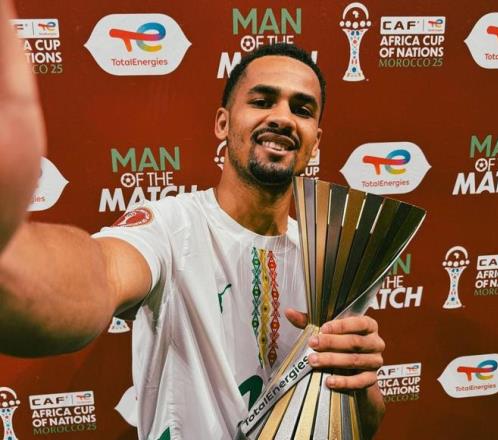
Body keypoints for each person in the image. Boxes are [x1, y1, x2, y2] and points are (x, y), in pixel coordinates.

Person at [0, 2, 385, 438]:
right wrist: (10, 256)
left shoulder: (326, 263)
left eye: (302, 109)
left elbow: (362, 424)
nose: (282, 117)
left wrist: (361, 379)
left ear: (315, 141)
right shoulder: (170, 226)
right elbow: (100, 273)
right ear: (223, 123)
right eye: (262, 101)